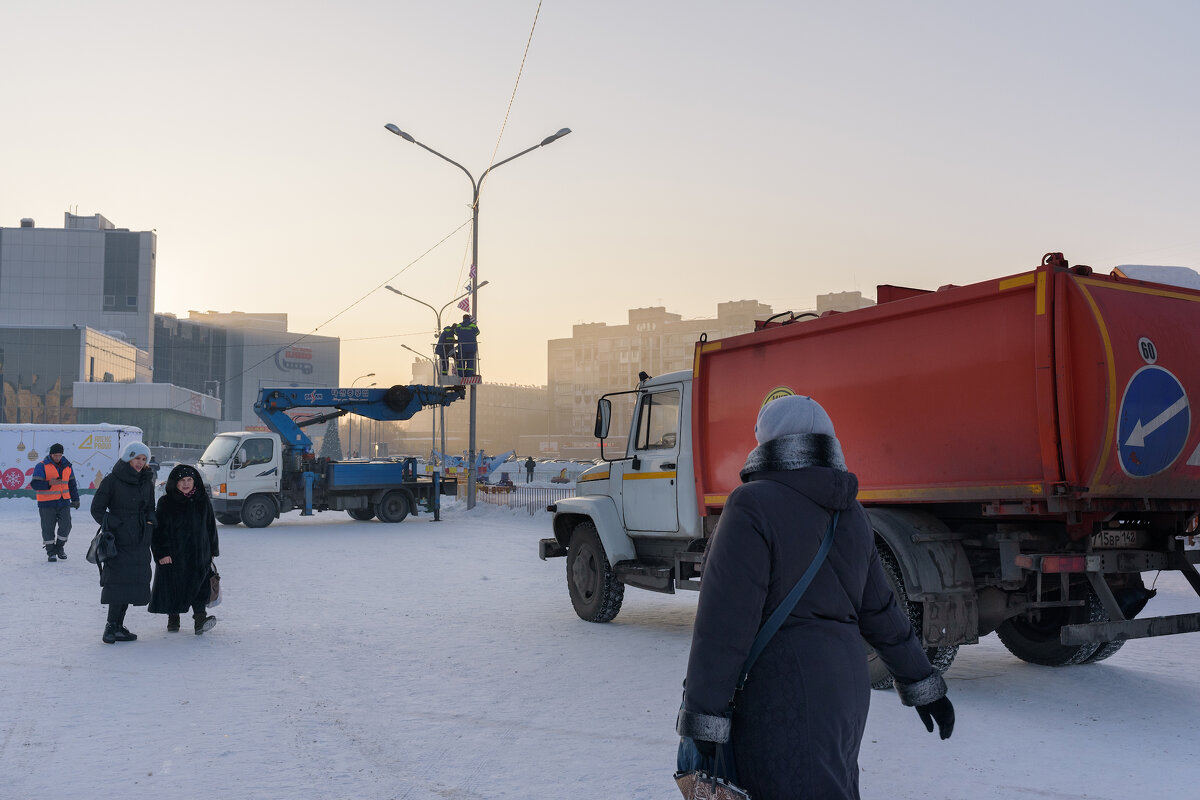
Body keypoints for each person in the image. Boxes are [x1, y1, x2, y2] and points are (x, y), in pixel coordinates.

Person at [677, 395, 955, 800]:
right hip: (845, 692)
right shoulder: (851, 514)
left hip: (781, 692)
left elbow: (725, 625)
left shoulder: (751, 505)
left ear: (766, 442)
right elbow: (880, 610)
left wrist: (704, 717)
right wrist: (923, 683)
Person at [90, 441, 157, 644]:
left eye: (144, 459)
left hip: (140, 540)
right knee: (117, 583)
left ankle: (119, 626)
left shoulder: (146, 481)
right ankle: (110, 626)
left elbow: (150, 508)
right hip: (118, 542)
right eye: (137, 458)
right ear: (128, 457)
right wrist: (115, 524)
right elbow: (97, 509)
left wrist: (150, 522)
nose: (140, 463)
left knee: (131, 584)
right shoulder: (112, 480)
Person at [149, 464, 219, 634]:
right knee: (175, 586)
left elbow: (210, 526)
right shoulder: (166, 503)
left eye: (189, 480)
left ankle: (200, 620)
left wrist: (212, 551)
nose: (186, 483)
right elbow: (158, 531)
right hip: (175, 555)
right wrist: (162, 553)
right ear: (175, 482)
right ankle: (173, 618)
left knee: (200, 586)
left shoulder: (202, 501)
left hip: (199, 553)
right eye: (182, 480)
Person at [31, 442, 79, 562]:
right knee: (48, 528)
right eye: (55, 455)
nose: (57, 457)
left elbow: (72, 484)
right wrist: (48, 483)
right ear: (51, 454)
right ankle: (51, 552)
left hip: (64, 502)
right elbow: (34, 484)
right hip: (47, 504)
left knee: (66, 525)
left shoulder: (68, 466)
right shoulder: (41, 466)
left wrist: (76, 499)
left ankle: (59, 548)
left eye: (59, 455)